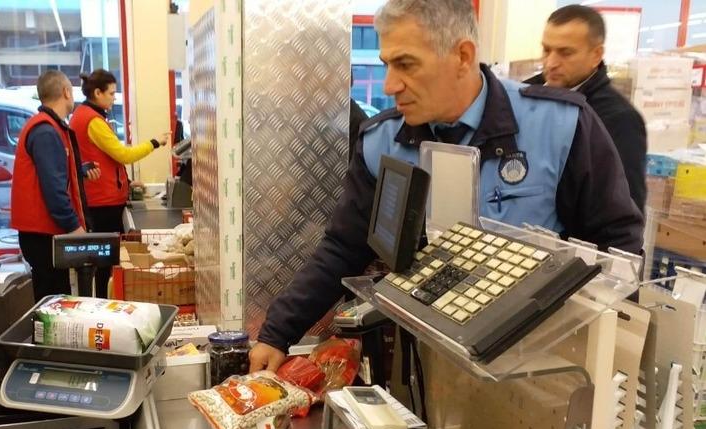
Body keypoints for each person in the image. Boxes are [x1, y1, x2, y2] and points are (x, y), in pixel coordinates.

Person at [249, 0, 644, 372]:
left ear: (463, 56)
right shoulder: (381, 142)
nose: (390, 85)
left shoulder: (560, 125)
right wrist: (278, 333)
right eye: (387, 64)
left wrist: (606, 364)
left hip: (535, 364)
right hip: (425, 361)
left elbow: (616, 244)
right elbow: (342, 248)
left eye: (406, 64)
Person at [525, 5, 648, 213]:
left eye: (565, 53)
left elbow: (626, 210)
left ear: (596, 55)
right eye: (546, 50)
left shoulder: (619, 118)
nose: (551, 63)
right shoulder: (525, 95)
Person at [69, 69, 170, 298]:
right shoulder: (92, 120)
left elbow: (106, 159)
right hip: (102, 202)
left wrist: (126, 181)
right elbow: (123, 154)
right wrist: (155, 142)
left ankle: (105, 303)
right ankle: (105, 305)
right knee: (106, 262)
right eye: (112, 93)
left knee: (105, 261)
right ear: (97, 92)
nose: (114, 98)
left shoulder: (85, 115)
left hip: (100, 198)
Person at [11, 70, 99, 301]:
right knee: (54, 300)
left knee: (55, 295)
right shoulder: (46, 131)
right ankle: (49, 339)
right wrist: (75, 228)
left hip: (44, 233)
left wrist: (78, 172)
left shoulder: (49, 127)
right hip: (43, 235)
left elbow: (50, 173)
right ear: (66, 92)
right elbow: (53, 189)